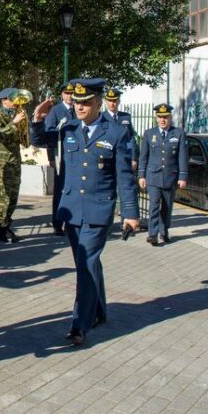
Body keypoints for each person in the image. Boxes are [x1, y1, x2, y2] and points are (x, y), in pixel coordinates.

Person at [31, 78, 139, 346]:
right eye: (77, 102)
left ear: (98, 103)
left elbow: (124, 177)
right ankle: (99, 310)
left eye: (86, 102)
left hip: (98, 211)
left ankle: (80, 324)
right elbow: (40, 140)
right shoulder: (68, 129)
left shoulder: (115, 133)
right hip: (71, 211)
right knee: (86, 264)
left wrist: (130, 213)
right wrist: (36, 119)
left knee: (86, 265)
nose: (80, 107)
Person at [137, 103, 188, 245]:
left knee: (167, 207)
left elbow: (182, 157)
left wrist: (183, 176)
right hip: (153, 176)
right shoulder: (149, 134)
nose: (162, 120)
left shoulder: (178, 133)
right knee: (153, 205)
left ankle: (164, 232)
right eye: (160, 117)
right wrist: (141, 175)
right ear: (156, 118)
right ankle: (152, 234)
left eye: (165, 117)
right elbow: (143, 156)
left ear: (170, 117)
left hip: (170, 176)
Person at [0, 87, 25, 243]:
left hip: (15, 159)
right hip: (3, 161)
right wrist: (14, 123)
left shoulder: (15, 113)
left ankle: (6, 224)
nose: (16, 102)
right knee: (3, 196)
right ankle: (1, 229)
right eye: (13, 99)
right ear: (5, 100)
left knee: (13, 196)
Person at [42, 81, 76, 236]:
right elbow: (49, 134)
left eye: (72, 93)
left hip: (75, 157)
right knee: (60, 191)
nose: (70, 96)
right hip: (60, 158)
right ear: (62, 95)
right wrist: (51, 158)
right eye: (67, 93)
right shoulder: (56, 111)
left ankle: (71, 222)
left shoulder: (78, 110)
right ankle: (57, 223)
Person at [103, 87, 138, 170]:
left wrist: (133, 158)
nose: (112, 103)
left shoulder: (125, 117)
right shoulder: (101, 117)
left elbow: (131, 139)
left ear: (119, 101)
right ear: (106, 101)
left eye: (114, 101)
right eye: (110, 101)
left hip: (124, 156)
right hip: (107, 156)